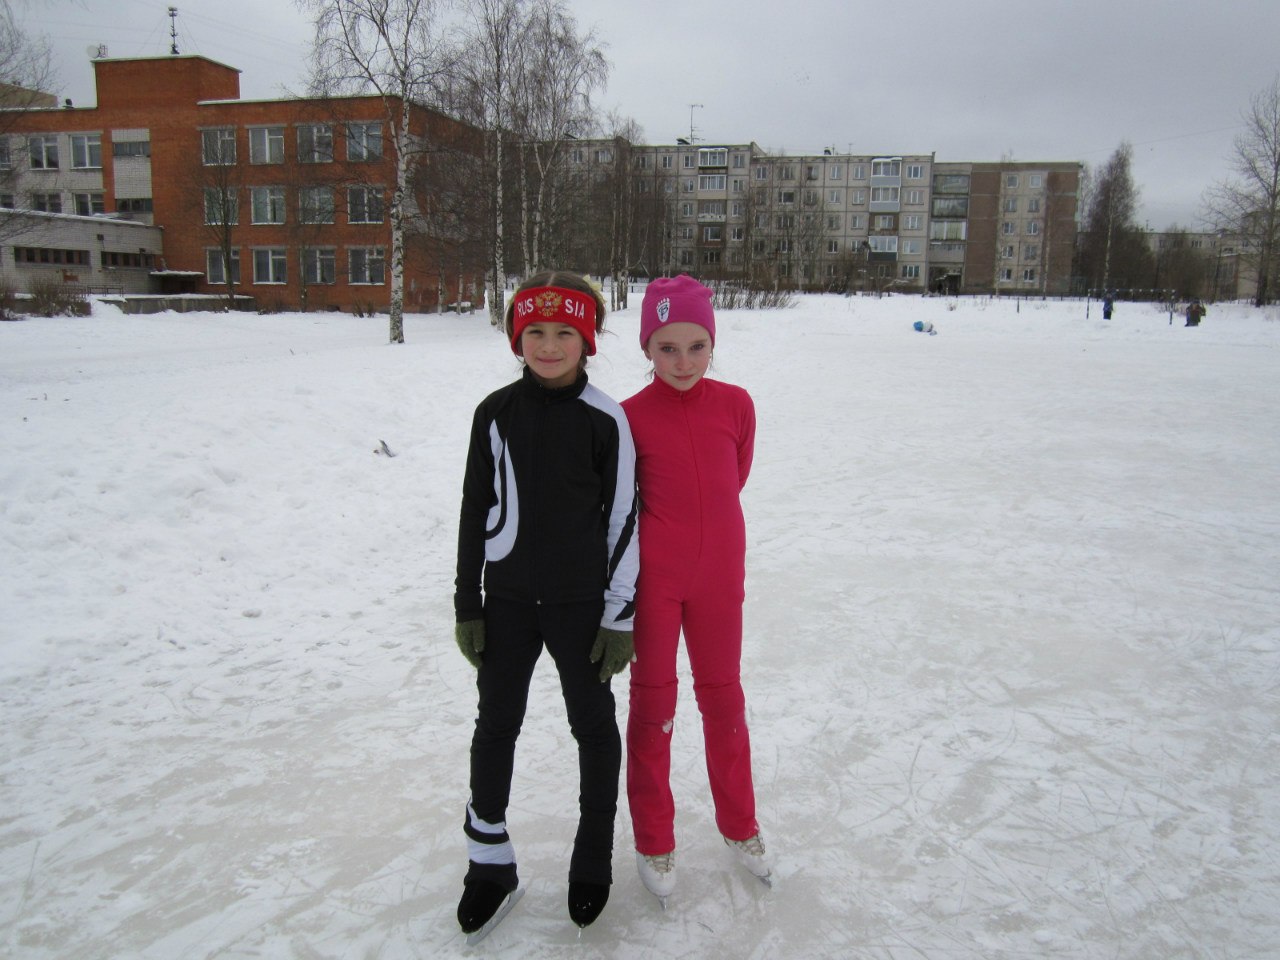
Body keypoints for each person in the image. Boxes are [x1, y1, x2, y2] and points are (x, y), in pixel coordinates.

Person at [453, 270, 640, 934]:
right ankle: (489, 865)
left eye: (565, 332)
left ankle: (592, 857)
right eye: (535, 331)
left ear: (588, 340)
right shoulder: (494, 414)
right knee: (495, 726)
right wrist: (467, 603)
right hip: (505, 603)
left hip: (580, 607)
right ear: (516, 338)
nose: (550, 345)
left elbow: (624, 520)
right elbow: (474, 510)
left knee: (593, 727)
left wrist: (619, 616)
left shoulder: (606, 420)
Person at [621, 274, 771, 903]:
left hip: (719, 577)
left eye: (696, 347)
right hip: (656, 580)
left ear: (712, 345)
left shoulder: (736, 405)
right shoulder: (628, 417)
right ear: (647, 348)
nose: (683, 362)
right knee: (653, 705)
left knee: (723, 698)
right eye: (667, 348)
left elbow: (734, 475)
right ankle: (654, 838)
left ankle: (740, 824)